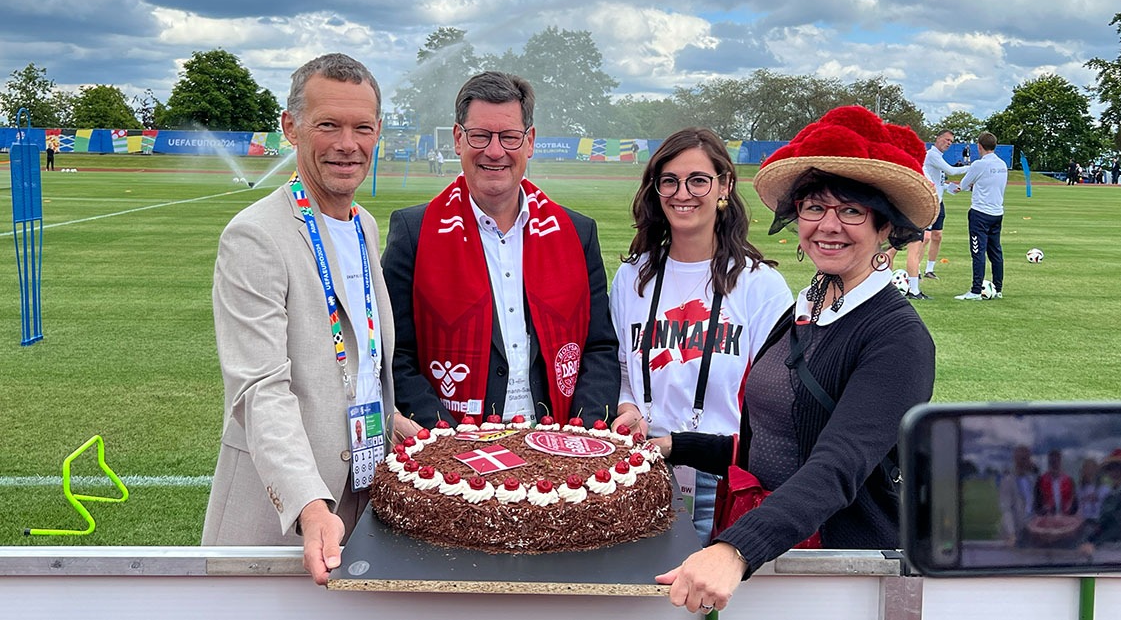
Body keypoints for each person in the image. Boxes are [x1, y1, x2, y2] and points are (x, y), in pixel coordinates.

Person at [651, 105, 937, 615]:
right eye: (813, 208)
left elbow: (836, 466)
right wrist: (675, 444)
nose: (828, 226)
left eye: (850, 210)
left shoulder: (897, 338)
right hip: (774, 552)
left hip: (837, 572)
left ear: (886, 227)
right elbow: (773, 437)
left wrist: (736, 549)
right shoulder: (807, 305)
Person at [202, 53, 408, 586]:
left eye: (362, 127)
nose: (348, 144)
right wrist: (311, 506)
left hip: (362, 504)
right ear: (291, 128)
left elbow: (354, 364)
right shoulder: (256, 236)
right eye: (328, 126)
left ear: (378, 132)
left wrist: (396, 425)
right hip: (285, 523)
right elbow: (260, 389)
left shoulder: (364, 224)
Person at [381, 71, 618, 427]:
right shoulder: (413, 232)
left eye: (509, 137)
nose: (495, 151)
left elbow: (599, 348)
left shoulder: (577, 232)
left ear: (530, 141)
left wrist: (582, 432)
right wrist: (443, 438)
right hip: (454, 447)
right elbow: (395, 354)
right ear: (459, 139)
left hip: (558, 444)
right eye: (480, 136)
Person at [610, 128, 792, 544]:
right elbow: (622, 366)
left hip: (724, 478)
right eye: (669, 181)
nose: (682, 193)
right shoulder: (631, 278)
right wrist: (628, 408)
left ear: (724, 185)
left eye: (698, 180)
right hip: (641, 468)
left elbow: (776, 400)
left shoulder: (760, 285)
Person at [955, 131, 1008, 301]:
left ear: (979, 146)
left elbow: (963, 185)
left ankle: (976, 290)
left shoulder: (979, 164)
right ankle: (998, 288)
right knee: (995, 252)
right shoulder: (1002, 164)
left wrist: (955, 188)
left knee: (978, 252)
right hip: (997, 212)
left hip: (980, 213)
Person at [920, 129, 968, 282]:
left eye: (951, 141)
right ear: (938, 138)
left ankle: (929, 269)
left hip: (939, 201)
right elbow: (951, 171)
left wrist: (952, 188)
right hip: (929, 203)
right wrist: (973, 167)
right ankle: (915, 269)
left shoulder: (938, 157)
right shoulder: (932, 155)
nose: (948, 143)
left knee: (937, 236)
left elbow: (940, 182)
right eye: (946, 140)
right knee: (925, 237)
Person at [1080, 448, 1121, 554]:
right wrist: (1089, 540)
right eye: (1109, 469)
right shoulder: (1111, 494)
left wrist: (1095, 544)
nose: (1111, 472)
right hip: (1105, 547)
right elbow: (1102, 524)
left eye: (1115, 468)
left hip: (1119, 548)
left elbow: (1119, 527)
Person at [997, 444, 1038, 546]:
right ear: (1016, 460)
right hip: (1013, 534)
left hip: (1030, 532)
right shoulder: (1007, 481)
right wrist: (1012, 534)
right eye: (1022, 459)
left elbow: (1032, 505)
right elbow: (1006, 510)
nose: (1025, 462)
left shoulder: (1031, 480)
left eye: (1027, 458)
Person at [1034, 448, 1077, 516]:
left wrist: (1069, 512)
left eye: (1057, 461)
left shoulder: (1070, 481)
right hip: (1047, 521)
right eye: (1052, 462)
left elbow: (1075, 505)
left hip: (1066, 520)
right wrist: (1044, 511)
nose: (1054, 464)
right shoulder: (1040, 481)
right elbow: (1037, 505)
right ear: (1048, 463)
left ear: (1060, 462)